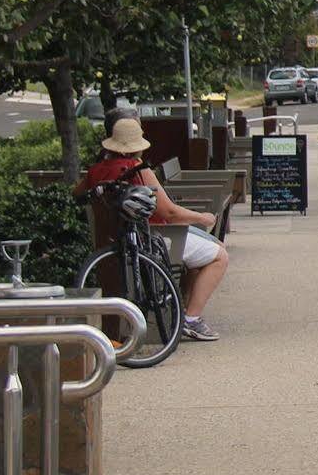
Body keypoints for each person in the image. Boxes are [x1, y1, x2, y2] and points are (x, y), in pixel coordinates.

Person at [72, 117, 228, 341]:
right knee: (219, 255)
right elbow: (170, 213)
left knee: (202, 254)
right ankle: (191, 319)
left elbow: (77, 194)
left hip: (108, 242)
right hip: (156, 238)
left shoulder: (96, 171)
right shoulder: (137, 170)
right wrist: (202, 218)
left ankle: (180, 309)